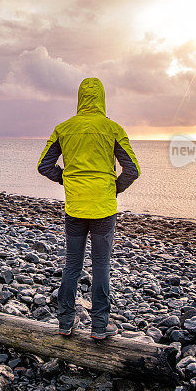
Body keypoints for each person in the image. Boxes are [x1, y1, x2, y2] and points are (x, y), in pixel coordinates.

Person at [37, 77, 140, 339]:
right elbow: (132, 170)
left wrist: (66, 179)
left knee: (72, 265)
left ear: (80, 98)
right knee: (101, 266)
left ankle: (65, 322)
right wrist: (114, 188)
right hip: (104, 209)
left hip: (75, 207)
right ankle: (98, 326)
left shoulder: (64, 128)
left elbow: (44, 166)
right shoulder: (112, 129)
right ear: (102, 99)